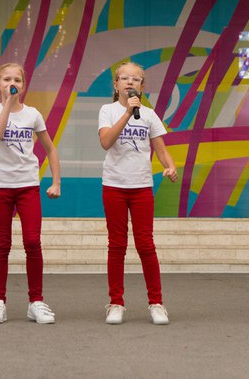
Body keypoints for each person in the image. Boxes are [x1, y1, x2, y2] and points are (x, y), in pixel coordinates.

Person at [98, 62, 178, 325]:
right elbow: (106, 141)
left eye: (135, 79)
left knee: (145, 244)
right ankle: (116, 303)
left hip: (141, 186)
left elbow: (160, 148)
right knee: (117, 244)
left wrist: (170, 166)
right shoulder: (108, 111)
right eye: (125, 78)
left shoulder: (150, 115)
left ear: (142, 87)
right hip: (114, 185)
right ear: (116, 84)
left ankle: (156, 303)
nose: (130, 82)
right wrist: (127, 113)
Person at [0, 63, 61, 324]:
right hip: (1, 185)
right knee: (2, 244)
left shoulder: (33, 114)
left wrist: (56, 182)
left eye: (17, 80)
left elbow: (50, 148)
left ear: (24, 85)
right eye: (6, 79)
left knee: (32, 242)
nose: (12, 83)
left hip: (27, 185)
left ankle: (36, 301)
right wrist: (7, 102)